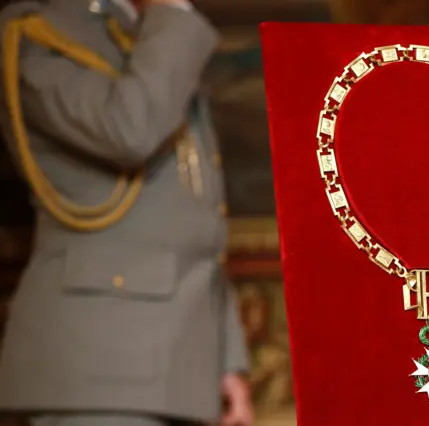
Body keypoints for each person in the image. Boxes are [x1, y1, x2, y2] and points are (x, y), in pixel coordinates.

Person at [0, 0, 253, 424]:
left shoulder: (147, 31)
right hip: (100, 366)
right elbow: (128, 129)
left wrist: (224, 359)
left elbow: (192, 216)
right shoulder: (37, 28)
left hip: (179, 370)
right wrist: (173, 11)